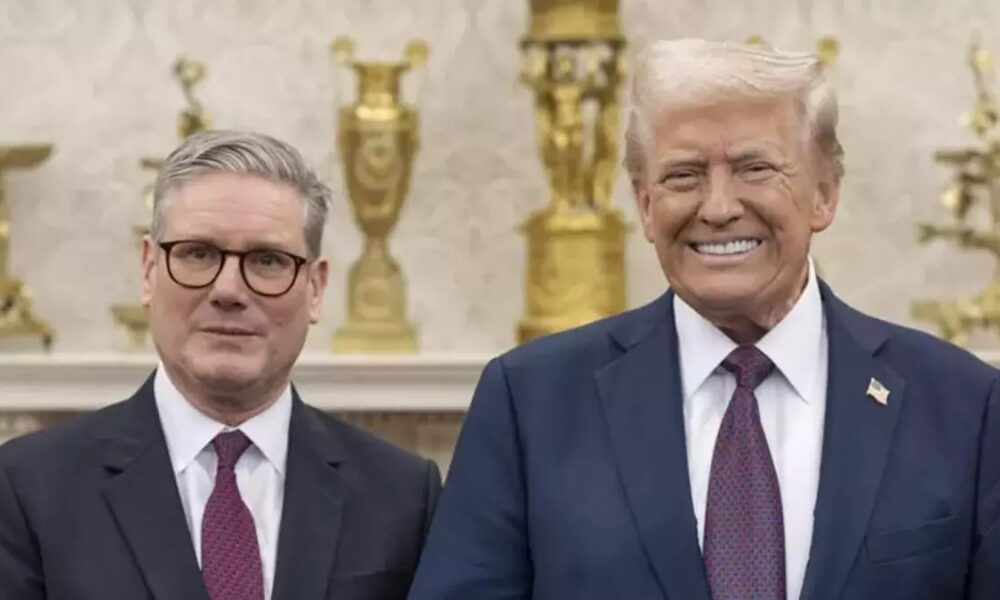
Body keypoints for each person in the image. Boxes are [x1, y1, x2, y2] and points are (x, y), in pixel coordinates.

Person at [410, 39, 1000, 599]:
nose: (717, 207)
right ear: (645, 205)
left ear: (825, 194)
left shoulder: (964, 408)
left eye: (755, 168)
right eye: (683, 175)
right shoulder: (531, 403)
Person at [0, 130, 441, 600]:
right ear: (149, 270)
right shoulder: (29, 487)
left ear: (315, 288)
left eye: (267, 260)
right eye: (198, 254)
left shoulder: (403, 496)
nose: (229, 291)